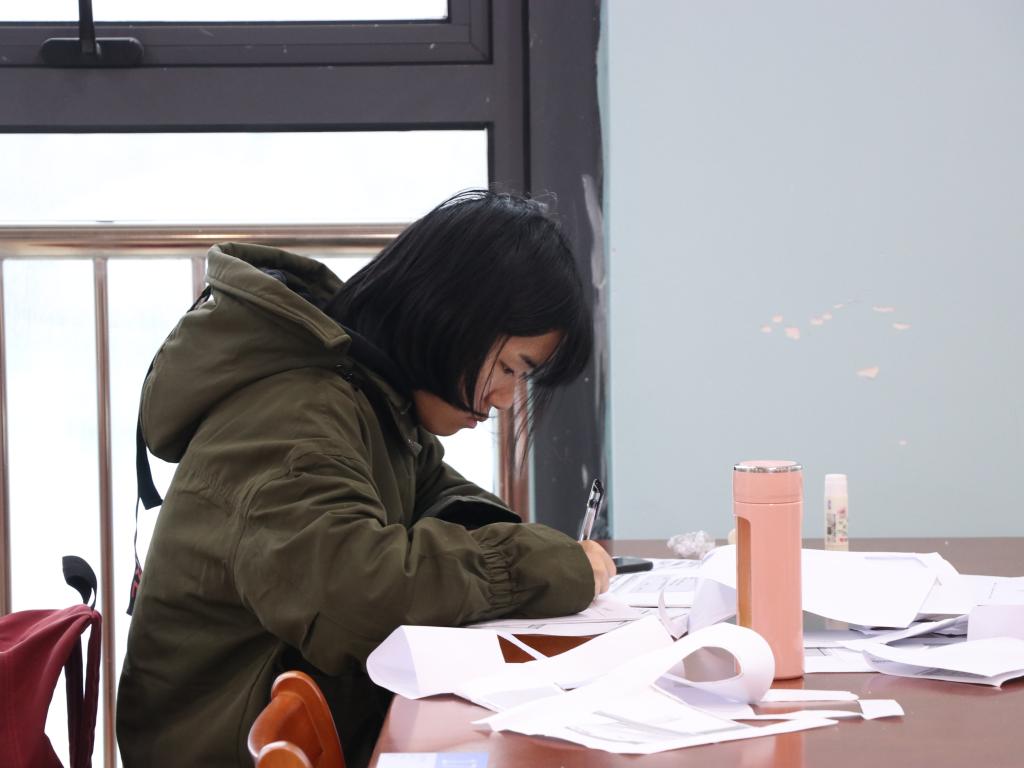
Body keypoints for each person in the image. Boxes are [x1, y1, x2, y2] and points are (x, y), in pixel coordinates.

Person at [116, 190, 615, 768]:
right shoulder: (297, 415)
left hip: (291, 721)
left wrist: (536, 558)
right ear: (450, 318)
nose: (505, 399)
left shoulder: (371, 400)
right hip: (224, 750)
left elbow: (439, 494)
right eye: (508, 368)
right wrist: (535, 565)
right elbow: (355, 596)